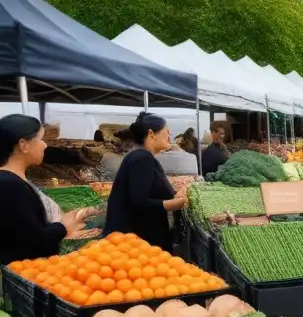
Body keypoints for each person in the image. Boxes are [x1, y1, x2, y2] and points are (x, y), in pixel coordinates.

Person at [0, 115, 89, 264]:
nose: (45, 145)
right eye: (41, 139)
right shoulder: (9, 184)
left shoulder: (13, 180)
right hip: (22, 270)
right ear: (23, 145)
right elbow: (32, 239)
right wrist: (64, 227)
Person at [104, 113, 186, 251]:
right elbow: (139, 202)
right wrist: (176, 204)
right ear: (151, 134)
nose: (169, 136)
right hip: (135, 246)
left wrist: (176, 193)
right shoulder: (142, 159)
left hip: (138, 241)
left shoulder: (142, 157)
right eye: (166, 131)